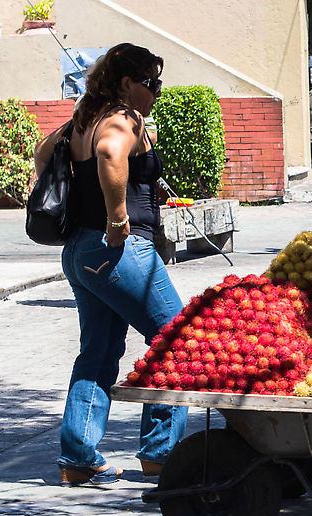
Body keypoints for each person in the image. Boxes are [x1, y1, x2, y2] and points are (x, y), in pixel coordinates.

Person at [33, 43, 187, 487]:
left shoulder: (82, 118)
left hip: (81, 251)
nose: (156, 92)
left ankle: (79, 458)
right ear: (126, 83)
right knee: (177, 338)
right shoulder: (122, 120)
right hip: (119, 249)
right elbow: (109, 154)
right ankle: (162, 453)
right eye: (151, 82)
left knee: (98, 353)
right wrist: (117, 217)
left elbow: (44, 154)